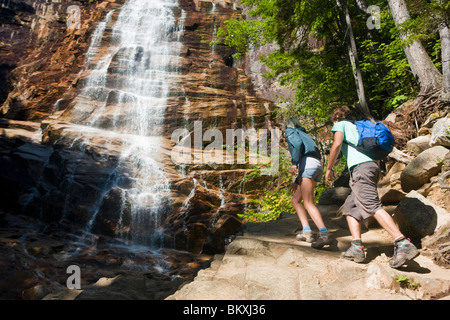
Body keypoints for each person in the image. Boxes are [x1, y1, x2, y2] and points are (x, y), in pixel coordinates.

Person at [325, 106, 419, 268]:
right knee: (351, 206)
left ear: (336, 119)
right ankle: (356, 247)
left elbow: (337, 144)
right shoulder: (357, 127)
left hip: (361, 169)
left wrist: (328, 168)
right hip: (370, 168)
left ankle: (403, 243)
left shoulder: (341, 125)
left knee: (372, 206)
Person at [284, 117, 335, 249]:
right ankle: (306, 231)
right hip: (316, 166)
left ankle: (324, 233)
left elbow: (297, 146)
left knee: (308, 203)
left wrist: (294, 163)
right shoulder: (305, 134)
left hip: (307, 167)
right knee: (296, 200)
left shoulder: (290, 131)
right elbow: (308, 153)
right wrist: (297, 180)